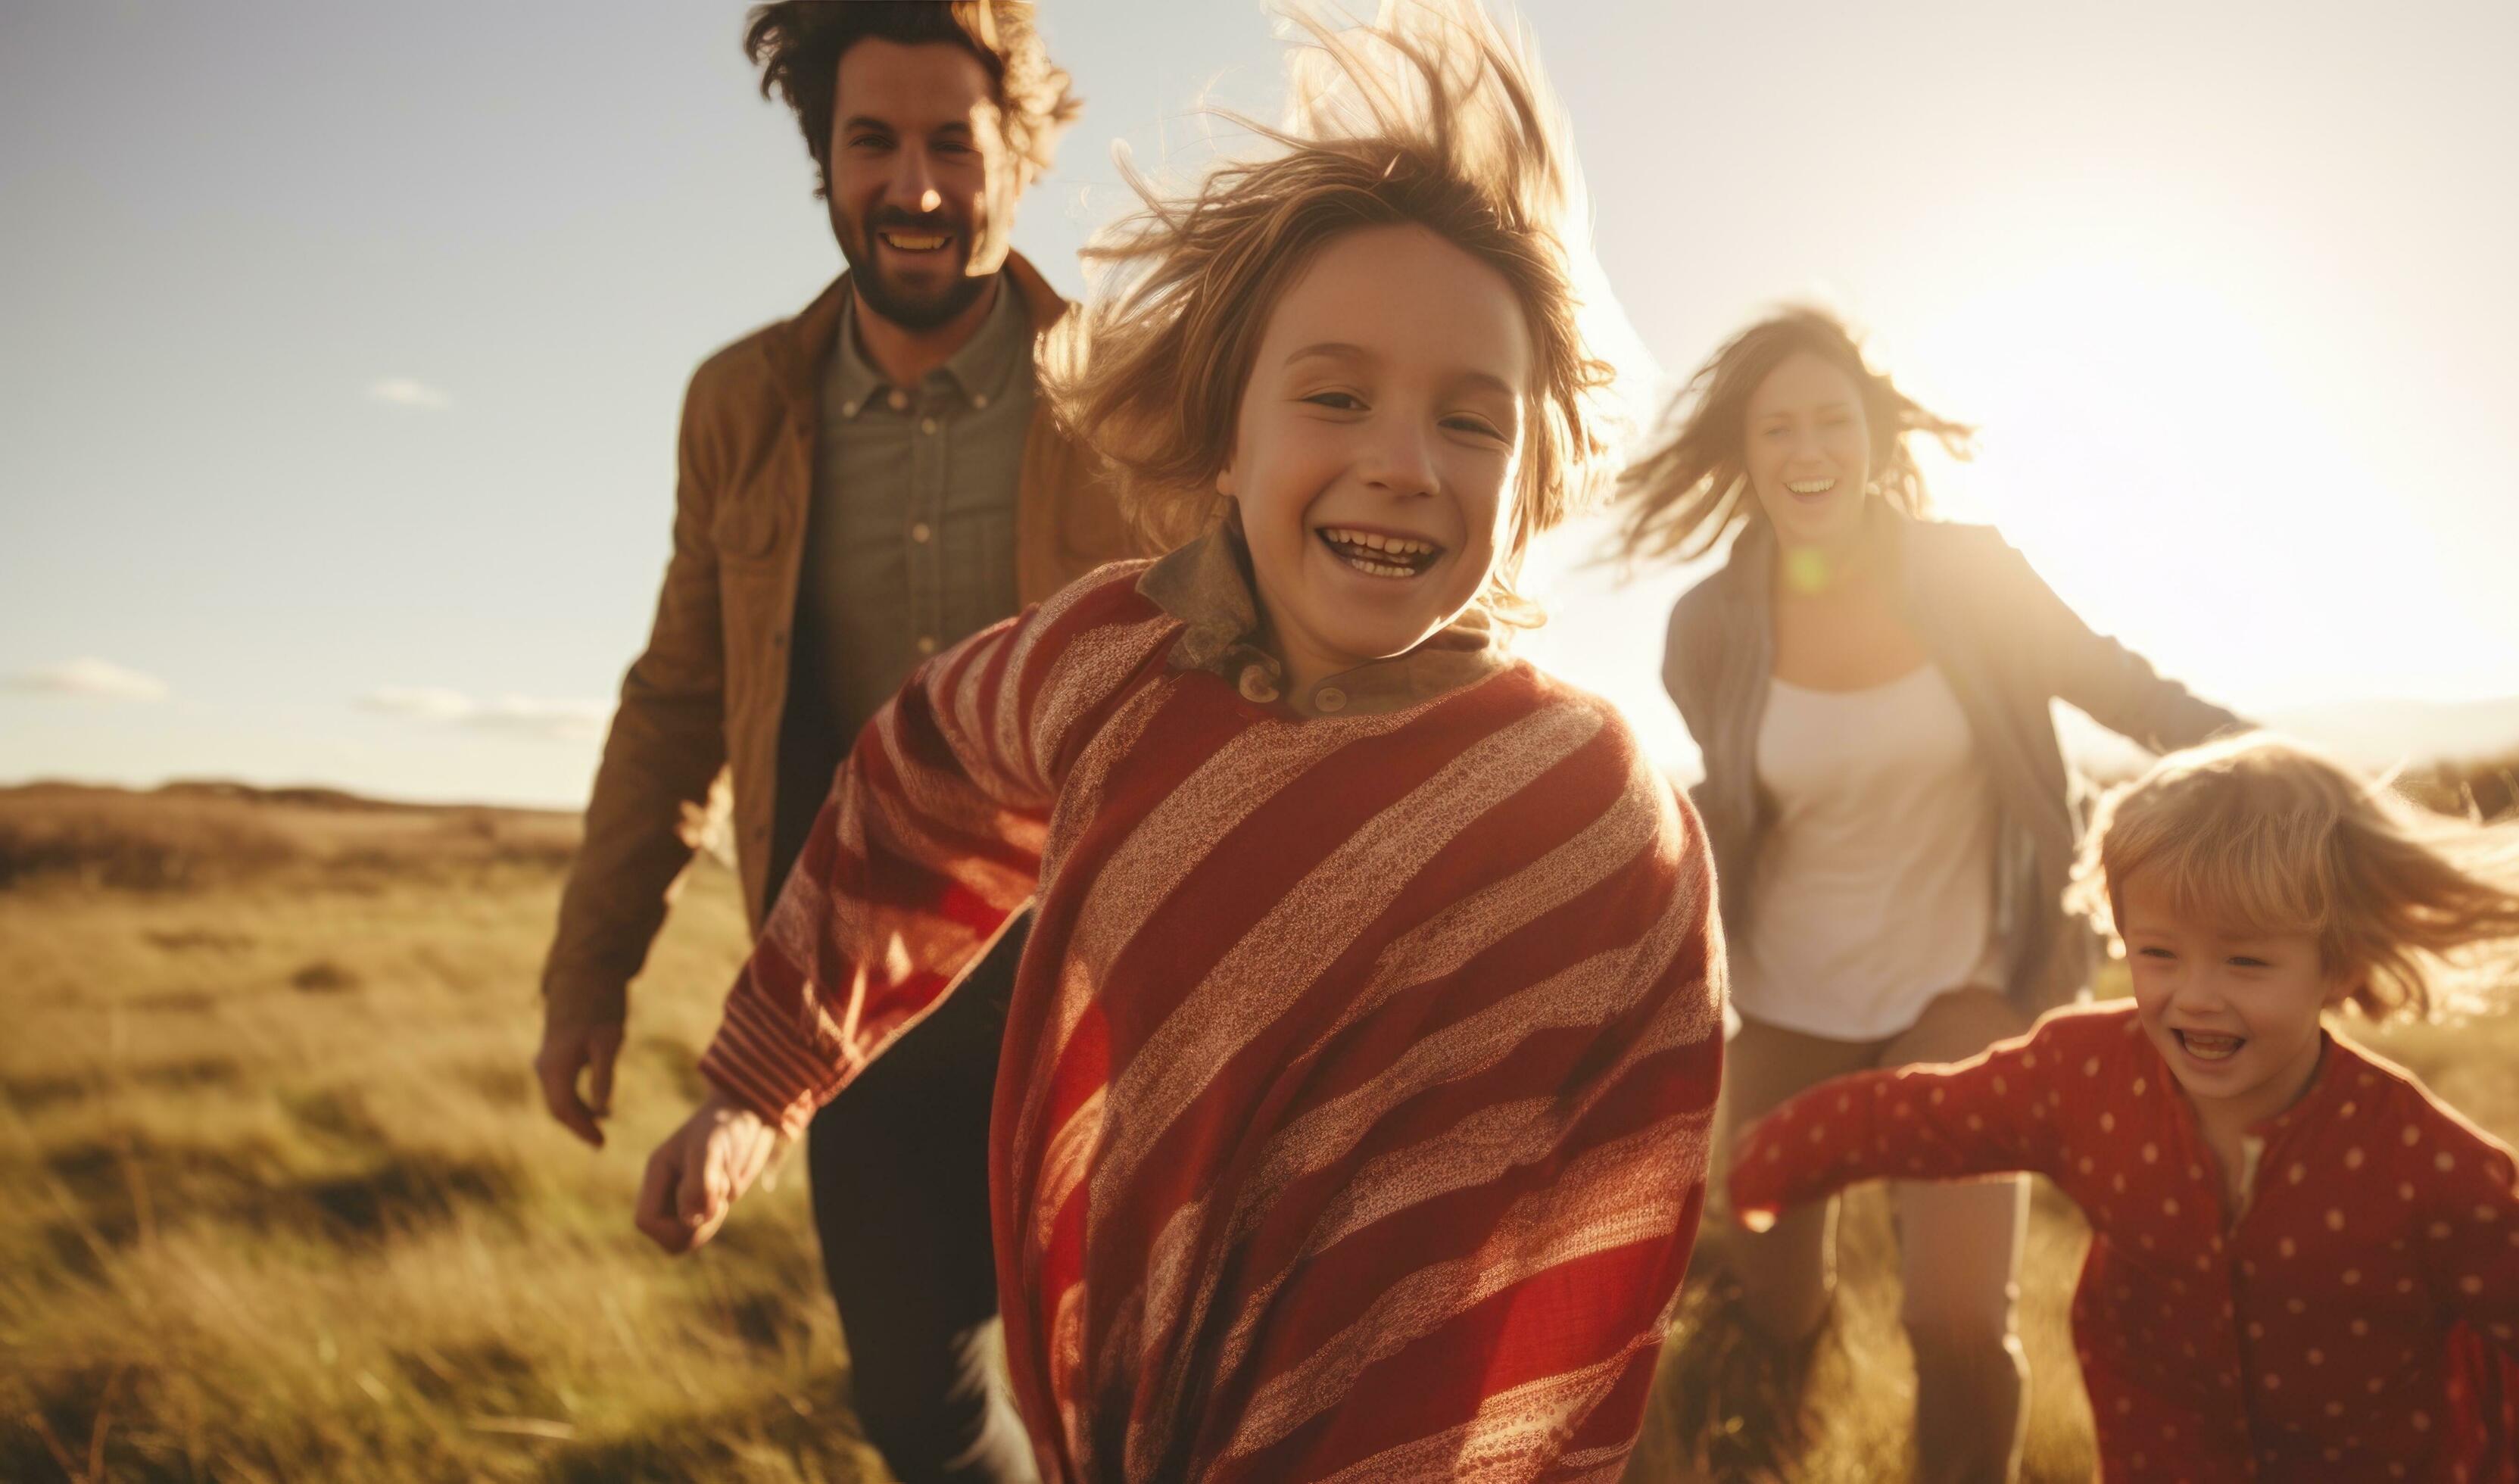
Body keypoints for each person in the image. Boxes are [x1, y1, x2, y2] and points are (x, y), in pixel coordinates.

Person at [631, 5, 1726, 1479]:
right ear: (1227, 432)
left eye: (1472, 422)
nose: (1401, 461)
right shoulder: (1105, 671)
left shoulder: (1588, 802)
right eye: (1334, 395)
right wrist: (763, 1079)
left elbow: (1616, 1190)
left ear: (1531, 479)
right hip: (1137, 1416)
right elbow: (911, 788)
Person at [531, 5, 1130, 1477]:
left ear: (1016, 156)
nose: (913, 187)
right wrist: (586, 968)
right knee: (911, 1403)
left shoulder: (1128, 389)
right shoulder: (738, 406)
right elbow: (677, 697)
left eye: (951, 142)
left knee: (1120, 1406)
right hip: (851, 989)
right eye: (874, 142)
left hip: (1091, 995)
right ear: (822, 158)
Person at [1730, 732, 2519, 1482]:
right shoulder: (2082, 1078)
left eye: (2246, 962)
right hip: (2165, 1462)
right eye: (2157, 953)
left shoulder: (2417, 1166)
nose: (2194, 994)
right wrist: (1763, 1162)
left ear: (2334, 965)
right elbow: (1926, 1118)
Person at [1621, 306, 2243, 1479]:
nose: (1807, 449)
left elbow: (2120, 685)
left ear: (1872, 437)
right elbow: (1731, 795)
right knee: (1779, 1307)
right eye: (1777, 427)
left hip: (1962, 984)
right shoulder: (1706, 628)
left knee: (1958, 1321)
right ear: (1746, 454)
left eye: (1831, 421)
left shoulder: (1969, 576)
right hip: (1786, 996)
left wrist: (2267, 759)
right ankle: (1780, 1447)